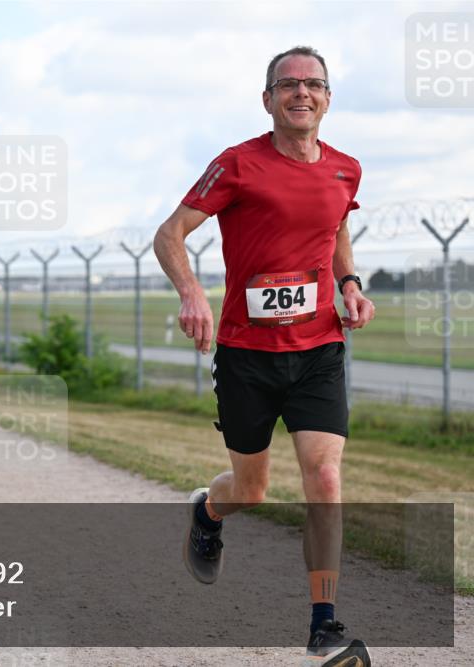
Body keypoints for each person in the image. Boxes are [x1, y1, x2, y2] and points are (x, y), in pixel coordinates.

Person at [154, 46, 375, 667]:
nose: (301, 93)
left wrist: (350, 285)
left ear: (328, 98)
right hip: (247, 352)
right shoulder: (237, 164)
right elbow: (170, 234)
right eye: (287, 85)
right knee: (251, 490)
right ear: (268, 98)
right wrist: (193, 293)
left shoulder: (345, 170)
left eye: (313, 84)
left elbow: (334, 229)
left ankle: (324, 625)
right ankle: (209, 509)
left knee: (325, 479)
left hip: (319, 348)